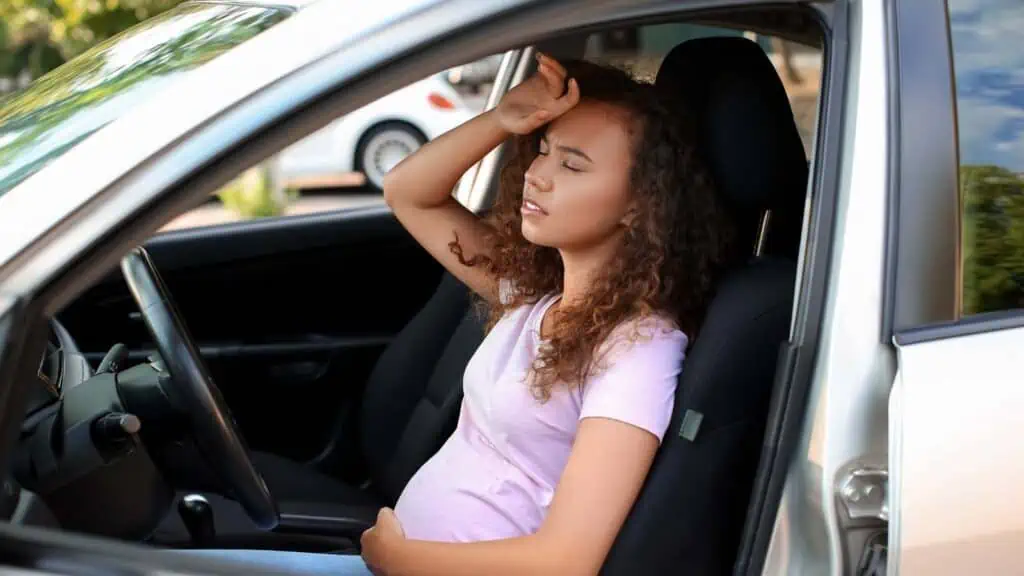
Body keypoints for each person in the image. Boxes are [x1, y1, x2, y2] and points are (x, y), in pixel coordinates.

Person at [181, 53, 737, 575]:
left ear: (640, 204)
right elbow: (409, 192)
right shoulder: (534, 295)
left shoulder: (637, 347)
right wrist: (503, 118)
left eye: (573, 165)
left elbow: (566, 561)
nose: (537, 176)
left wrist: (402, 559)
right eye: (543, 149)